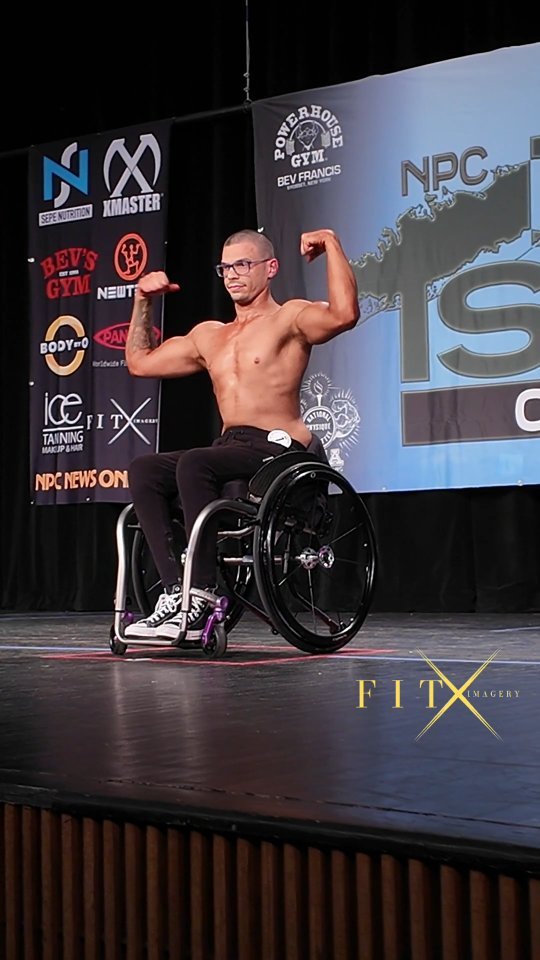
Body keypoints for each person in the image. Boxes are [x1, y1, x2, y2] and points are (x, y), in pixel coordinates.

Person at [124, 227, 360, 641]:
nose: (232, 274)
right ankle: (177, 591)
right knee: (145, 469)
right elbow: (140, 363)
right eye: (225, 267)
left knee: (195, 463)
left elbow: (345, 315)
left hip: (277, 447)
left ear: (271, 268)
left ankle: (203, 592)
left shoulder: (289, 318)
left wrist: (332, 244)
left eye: (243, 264)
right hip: (230, 447)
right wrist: (142, 299)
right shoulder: (209, 336)